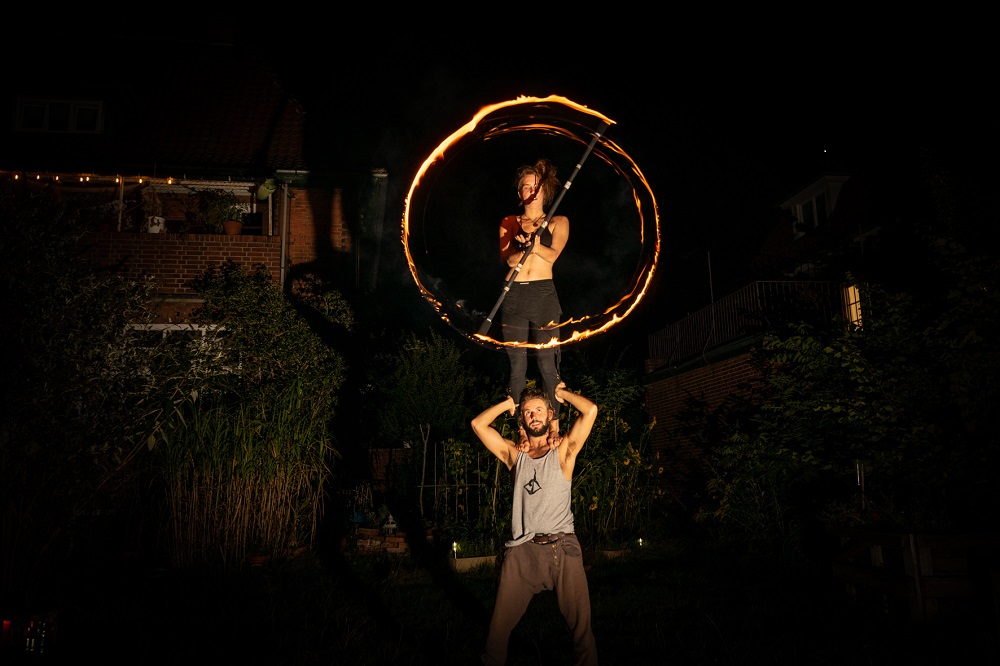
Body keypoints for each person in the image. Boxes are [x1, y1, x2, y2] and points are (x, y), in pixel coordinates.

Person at [471, 381, 600, 666]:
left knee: (582, 631)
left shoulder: (564, 452)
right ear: (522, 419)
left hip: (563, 549)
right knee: (496, 634)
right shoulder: (514, 456)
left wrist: (561, 393)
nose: (534, 416)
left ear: (549, 414)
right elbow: (478, 425)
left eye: (539, 410)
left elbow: (590, 410)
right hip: (522, 553)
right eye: (528, 412)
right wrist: (508, 404)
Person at [499, 158, 568, 447]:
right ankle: (521, 430)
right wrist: (523, 246)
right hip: (514, 294)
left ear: (545, 191)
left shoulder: (558, 221)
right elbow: (508, 260)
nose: (531, 191)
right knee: (517, 367)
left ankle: (553, 426)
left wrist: (537, 245)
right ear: (520, 193)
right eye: (525, 187)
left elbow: (552, 256)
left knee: (546, 362)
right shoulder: (509, 222)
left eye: (535, 186)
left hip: (543, 295)